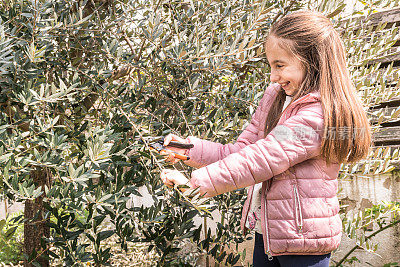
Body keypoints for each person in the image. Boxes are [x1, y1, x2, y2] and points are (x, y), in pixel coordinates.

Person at [160, 10, 371, 267]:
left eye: (280, 65)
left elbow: (263, 157)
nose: (273, 76)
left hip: (304, 243)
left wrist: (194, 184)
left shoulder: (318, 116)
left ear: (312, 61)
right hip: (267, 233)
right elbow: (243, 150)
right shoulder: (276, 97)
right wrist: (187, 149)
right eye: (271, 66)